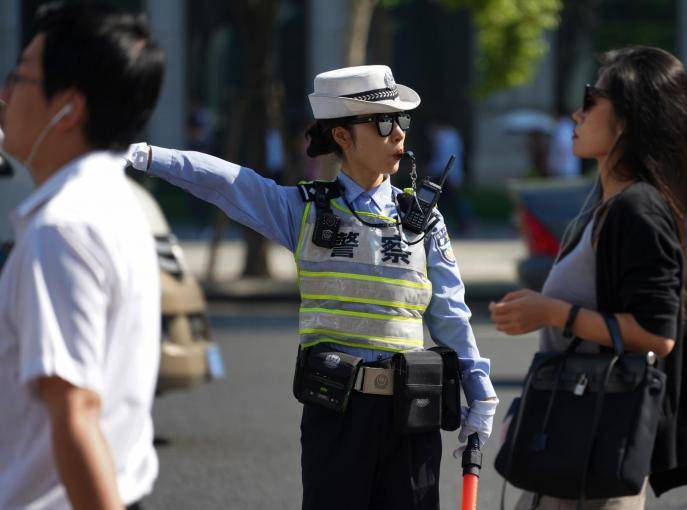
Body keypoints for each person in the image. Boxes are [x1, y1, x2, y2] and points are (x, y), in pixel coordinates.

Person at [127, 64, 498, 509]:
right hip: (336, 414)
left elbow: (451, 315)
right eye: (384, 122)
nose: (398, 133)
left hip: (412, 417)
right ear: (342, 137)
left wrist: (480, 394)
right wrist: (146, 155)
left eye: (402, 121)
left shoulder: (423, 219)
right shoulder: (303, 211)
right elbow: (225, 181)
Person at [490, 46, 687, 509]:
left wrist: (551, 311)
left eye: (591, 100)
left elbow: (657, 336)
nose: (577, 112)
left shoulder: (638, 209)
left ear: (630, 119)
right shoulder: (606, 202)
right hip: (572, 437)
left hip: (597, 450)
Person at [0, 2, 164, 509]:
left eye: (19, 77)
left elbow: (76, 414)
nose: (4, 94)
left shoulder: (61, 230)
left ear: (68, 108)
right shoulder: (116, 201)